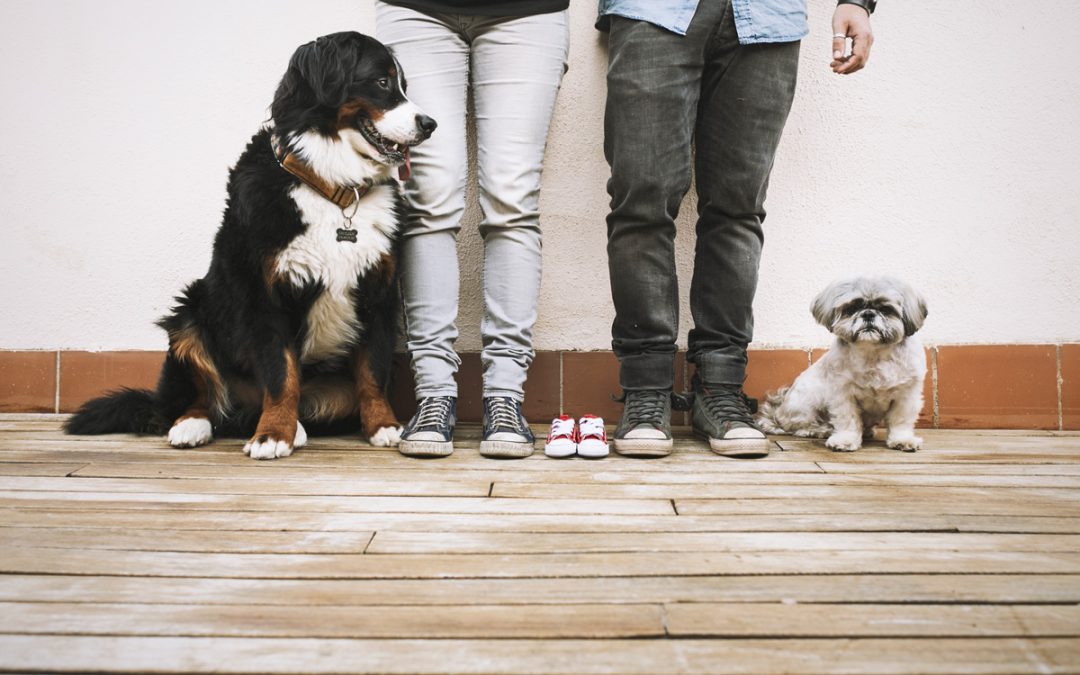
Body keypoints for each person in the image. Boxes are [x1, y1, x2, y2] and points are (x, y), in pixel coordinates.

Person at [598, 0, 877, 458]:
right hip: (653, 11)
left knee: (737, 209)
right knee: (641, 203)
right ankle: (645, 391)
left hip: (767, 16)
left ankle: (720, 389)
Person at [375, 0, 570, 458]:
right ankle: (434, 395)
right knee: (428, 200)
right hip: (416, 9)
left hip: (529, 11)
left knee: (512, 200)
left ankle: (505, 396)